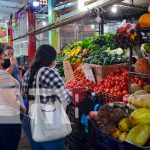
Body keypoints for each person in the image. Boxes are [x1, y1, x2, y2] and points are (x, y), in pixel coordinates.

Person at [22, 44, 72, 150]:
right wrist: (71, 92)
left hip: (30, 121)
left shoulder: (27, 73)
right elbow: (66, 98)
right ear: (51, 59)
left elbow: (24, 93)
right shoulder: (48, 72)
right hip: (48, 124)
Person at [0, 47, 26, 150]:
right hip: (8, 119)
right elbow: (10, 99)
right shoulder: (3, 75)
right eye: (5, 55)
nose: (8, 58)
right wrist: (23, 110)